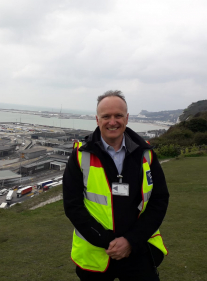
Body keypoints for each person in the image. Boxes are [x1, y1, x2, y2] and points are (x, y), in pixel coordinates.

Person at [63, 90, 169, 281]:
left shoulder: (146, 154)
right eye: (106, 116)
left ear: (127, 118)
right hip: (96, 252)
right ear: (97, 120)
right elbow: (73, 206)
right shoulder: (80, 155)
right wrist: (107, 242)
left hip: (138, 248)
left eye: (118, 115)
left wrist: (130, 241)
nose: (113, 122)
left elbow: (159, 201)